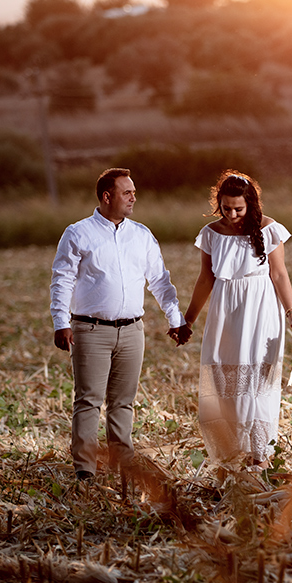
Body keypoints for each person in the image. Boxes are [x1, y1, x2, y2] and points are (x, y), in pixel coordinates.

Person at [50, 167, 191, 481]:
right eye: (127, 193)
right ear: (106, 196)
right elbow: (62, 280)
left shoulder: (141, 235)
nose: (133, 198)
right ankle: (85, 469)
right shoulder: (78, 233)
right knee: (88, 400)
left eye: (134, 192)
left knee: (123, 401)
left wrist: (176, 319)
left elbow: (160, 281)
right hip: (90, 330)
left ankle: (121, 463)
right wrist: (61, 321)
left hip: (132, 331)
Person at [180, 170, 292, 469]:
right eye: (226, 208)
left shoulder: (269, 229)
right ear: (218, 205)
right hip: (226, 309)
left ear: (251, 203)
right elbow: (205, 279)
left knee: (257, 383)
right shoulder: (211, 234)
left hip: (260, 308)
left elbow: (279, 274)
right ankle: (233, 455)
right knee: (227, 382)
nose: (233, 214)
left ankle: (260, 456)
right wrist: (188, 320)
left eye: (239, 208)